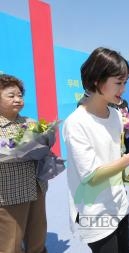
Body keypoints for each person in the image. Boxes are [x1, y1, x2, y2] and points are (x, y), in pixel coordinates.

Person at [62, 47, 129, 253]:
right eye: (118, 83)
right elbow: (92, 176)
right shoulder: (76, 123)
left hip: (118, 203)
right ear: (97, 81)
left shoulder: (115, 115)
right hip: (95, 211)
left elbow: (115, 158)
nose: (123, 89)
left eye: (125, 82)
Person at [0, 74, 48, 253]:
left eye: (20, 95)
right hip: (10, 193)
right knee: (10, 243)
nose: (17, 99)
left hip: (36, 186)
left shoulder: (30, 122)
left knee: (37, 236)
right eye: (11, 95)